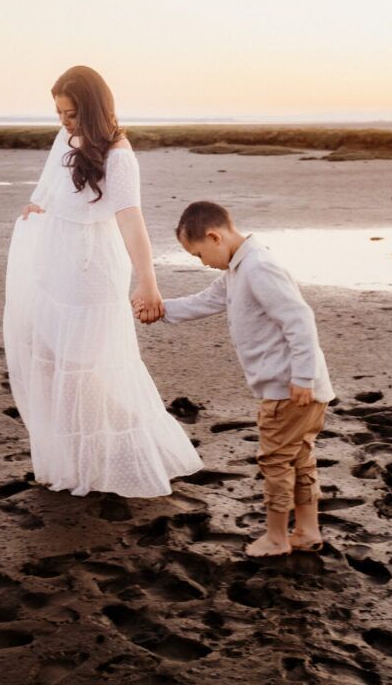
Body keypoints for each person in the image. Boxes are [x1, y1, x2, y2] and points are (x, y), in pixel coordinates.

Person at [3, 66, 203, 497]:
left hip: (91, 271)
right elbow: (55, 191)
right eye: (58, 112)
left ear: (93, 110)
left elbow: (131, 221)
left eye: (71, 114)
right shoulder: (67, 140)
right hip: (55, 264)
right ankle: (77, 457)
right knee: (53, 358)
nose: (63, 122)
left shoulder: (119, 156)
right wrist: (40, 209)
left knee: (84, 368)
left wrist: (148, 282)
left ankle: (117, 456)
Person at [134, 200, 335, 556]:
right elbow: (204, 302)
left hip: (290, 389)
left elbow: (299, 319)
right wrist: (157, 311)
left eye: (198, 254)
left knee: (275, 461)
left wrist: (302, 377)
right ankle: (306, 531)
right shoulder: (237, 270)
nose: (201, 262)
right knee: (300, 457)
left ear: (214, 236)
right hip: (297, 388)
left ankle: (276, 538)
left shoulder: (258, 267)